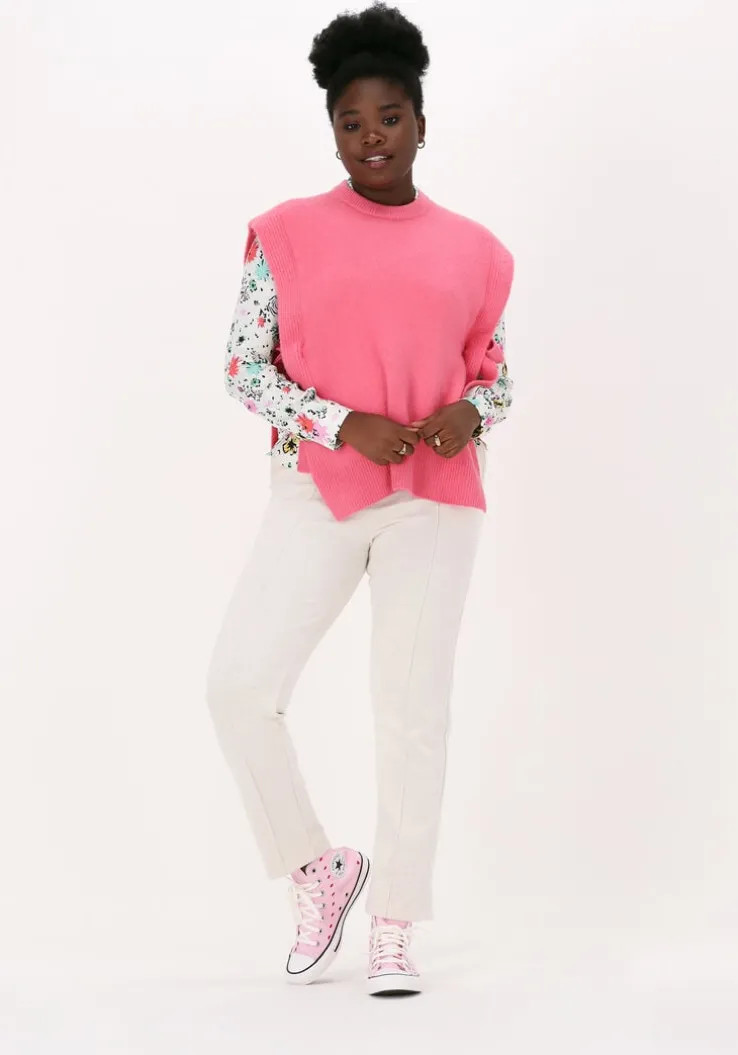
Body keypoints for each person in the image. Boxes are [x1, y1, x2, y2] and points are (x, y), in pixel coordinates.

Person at [206, 1, 514, 997]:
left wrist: (472, 408)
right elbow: (244, 367)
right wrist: (341, 422)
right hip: (318, 487)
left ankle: (395, 924)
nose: (371, 135)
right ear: (332, 131)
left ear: (422, 123)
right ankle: (318, 870)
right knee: (239, 685)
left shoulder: (477, 250)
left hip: (435, 496)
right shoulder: (284, 234)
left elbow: (497, 372)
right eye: (351, 121)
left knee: (411, 708)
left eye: (389, 116)